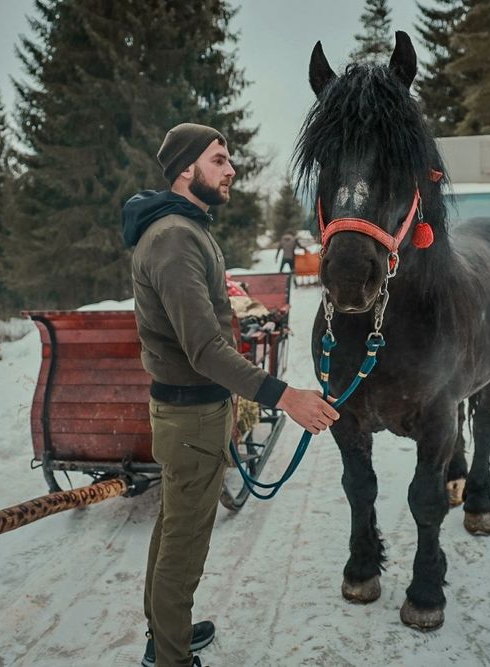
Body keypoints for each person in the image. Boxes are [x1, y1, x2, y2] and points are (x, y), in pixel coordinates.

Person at [122, 123, 339, 667]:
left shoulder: (186, 229)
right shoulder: (174, 237)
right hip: (190, 415)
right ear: (186, 170)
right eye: (219, 160)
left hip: (192, 410)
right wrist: (284, 395)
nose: (231, 169)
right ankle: (169, 658)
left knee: (176, 526)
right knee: (185, 539)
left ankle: (165, 631)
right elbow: (204, 348)